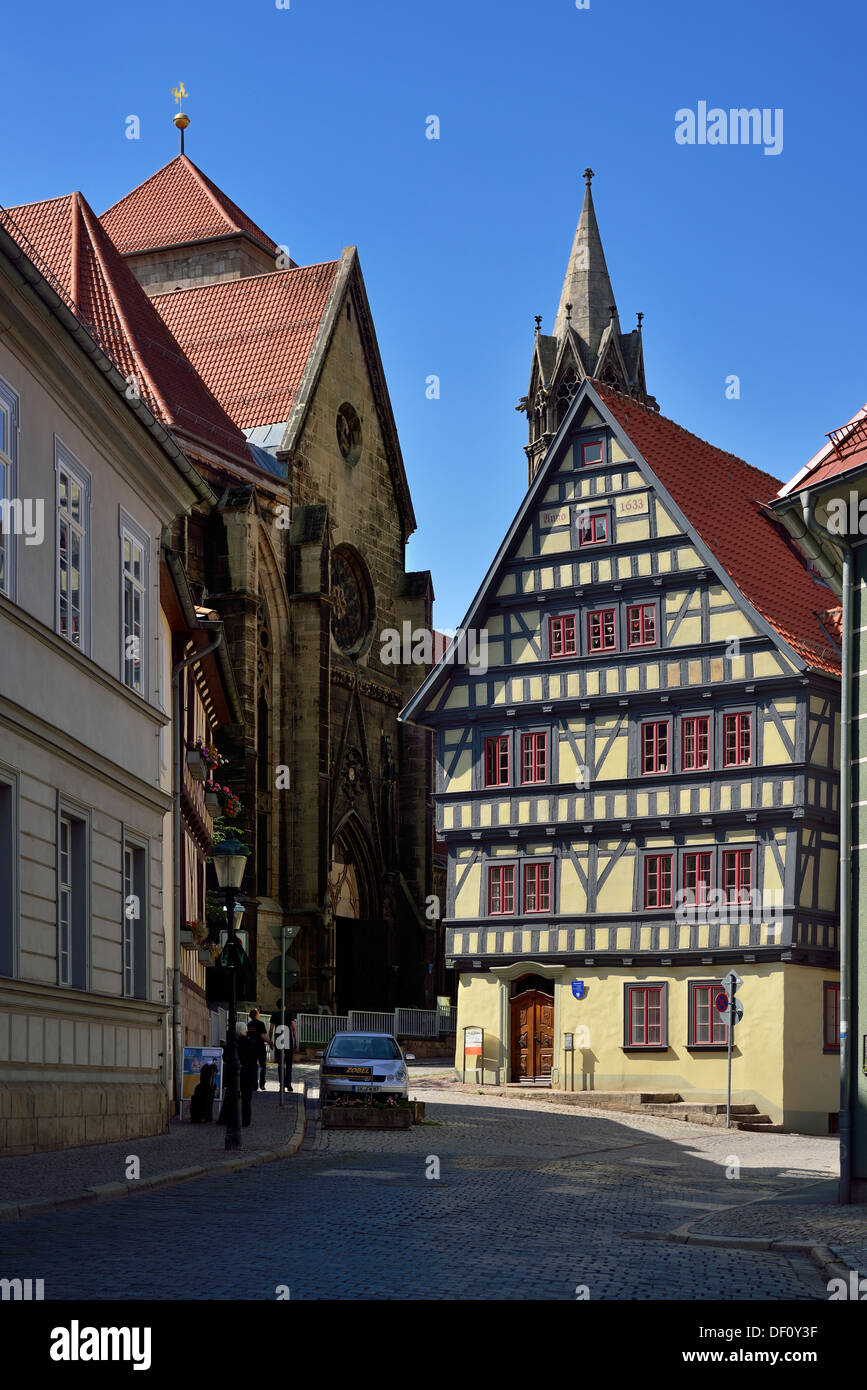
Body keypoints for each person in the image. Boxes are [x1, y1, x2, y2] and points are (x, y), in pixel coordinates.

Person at [269, 998, 297, 1092]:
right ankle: (288, 1083)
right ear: (285, 1005)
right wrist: (295, 1041)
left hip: (278, 1040)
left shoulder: (274, 1014)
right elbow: (293, 1029)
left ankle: (281, 1085)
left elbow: (271, 1030)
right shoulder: (289, 1014)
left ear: (277, 1006)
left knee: (280, 1064)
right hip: (288, 1039)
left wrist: (270, 1041)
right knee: (289, 1063)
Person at [247, 1007, 268, 1090]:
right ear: (256, 1015)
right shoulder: (261, 1024)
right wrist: (270, 1042)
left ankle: (254, 1085)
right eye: (258, 1013)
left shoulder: (248, 1025)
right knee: (263, 1066)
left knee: (253, 1067)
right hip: (260, 1047)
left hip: (251, 1048)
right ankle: (262, 1084)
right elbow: (263, 1036)